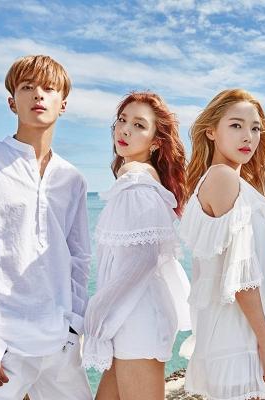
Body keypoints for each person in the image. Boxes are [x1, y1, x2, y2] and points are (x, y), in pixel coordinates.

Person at [0, 55, 93, 400]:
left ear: (63, 104)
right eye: (27, 87)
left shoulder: (73, 179)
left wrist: (74, 326)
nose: (38, 94)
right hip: (2, 346)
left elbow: (79, 258)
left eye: (49, 88)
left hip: (61, 345)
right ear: (12, 102)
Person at [178, 89, 265, 400]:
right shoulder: (222, 179)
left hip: (235, 333)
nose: (248, 137)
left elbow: (252, 263)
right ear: (211, 131)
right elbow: (241, 279)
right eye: (236, 125)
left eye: (255, 128)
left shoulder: (229, 182)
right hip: (236, 338)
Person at [82, 91, 190, 400]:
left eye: (139, 125)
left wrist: (96, 316)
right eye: (122, 120)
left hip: (137, 321)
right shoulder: (138, 181)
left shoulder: (136, 182)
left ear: (156, 141)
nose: (125, 130)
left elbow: (143, 260)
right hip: (131, 318)